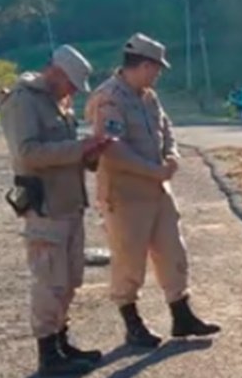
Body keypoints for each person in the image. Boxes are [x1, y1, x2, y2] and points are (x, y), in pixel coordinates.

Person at [85, 32, 219, 348]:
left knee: (173, 250)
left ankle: (181, 314)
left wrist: (171, 155)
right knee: (129, 259)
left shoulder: (148, 96)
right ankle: (132, 322)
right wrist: (153, 170)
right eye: (156, 68)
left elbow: (166, 129)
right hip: (125, 194)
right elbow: (112, 149)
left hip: (158, 190)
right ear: (144, 65)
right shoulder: (109, 98)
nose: (158, 74)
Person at [0, 45, 115, 376]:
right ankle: (48, 352)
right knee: (49, 280)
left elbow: (67, 153)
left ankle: (62, 341)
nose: (75, 91)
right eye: (72, 83)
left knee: (69, 278)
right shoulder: (24, 100)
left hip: (69, 203)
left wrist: (93, 151)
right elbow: (27, 153)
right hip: (45, 206)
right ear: (56, 73)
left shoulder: (58, 103)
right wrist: (79, 147)